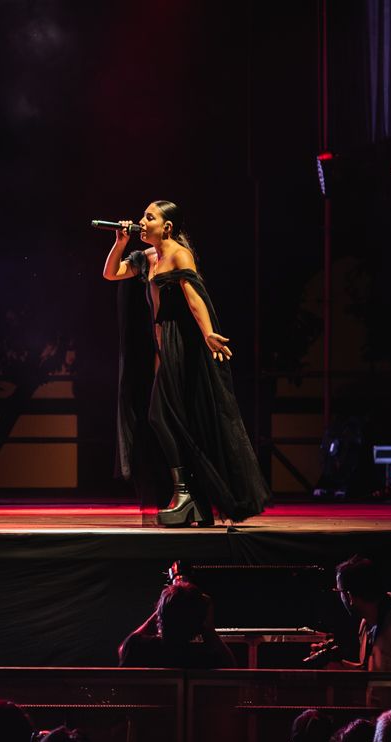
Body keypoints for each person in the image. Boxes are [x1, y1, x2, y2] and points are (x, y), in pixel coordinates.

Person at [101, 200, 270, 526]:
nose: (141, 221)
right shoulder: (149, 257)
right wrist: (120, 243)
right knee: (171, 419)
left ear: (166, 226)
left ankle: (185, 493)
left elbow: (194, 297)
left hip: (184, 344)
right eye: (143, 215)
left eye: (149, 217)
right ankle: (195, 499)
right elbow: (110, 273)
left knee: (159, 415)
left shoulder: (179, 254)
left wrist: (208, 333)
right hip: (165, 348)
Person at [118, 577, 234, 669]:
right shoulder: (202, 656)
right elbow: (231, 667)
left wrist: (162, 609)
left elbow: (124, 649)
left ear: (160, 617)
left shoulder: (139, 647)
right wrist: (208, 627)